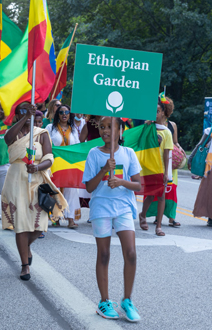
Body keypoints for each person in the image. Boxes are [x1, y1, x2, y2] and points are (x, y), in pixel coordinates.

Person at [82, 116, 142, 322]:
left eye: (110, 127)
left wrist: (122, 182)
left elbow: (139, 185)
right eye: (102, 127)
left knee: (131, 253)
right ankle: (104, 301)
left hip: (124, 208)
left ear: (120, 131)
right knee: (104, 254)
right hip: (101, 208)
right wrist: (104, 170)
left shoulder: (128, 153)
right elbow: (89, 187)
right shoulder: (93, 154)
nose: (105, 130)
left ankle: (127, 300)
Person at [2, 102, 67, 280]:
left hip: (37, 180)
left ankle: (26, 247)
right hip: (16, 180)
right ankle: (24, 265)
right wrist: (25, 118)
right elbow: (8, 140)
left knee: (40, 225)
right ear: (17, 115)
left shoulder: (42, 134)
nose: (27, 114)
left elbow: (49, 158)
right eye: (22, 112)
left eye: (28, 111)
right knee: (21, 224)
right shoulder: (14, 132)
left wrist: (37, 168)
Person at [145, 96, 181, 227]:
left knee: (170, 190)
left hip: (170, 163)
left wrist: (180, 151)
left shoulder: (172, 126)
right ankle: (155, 216)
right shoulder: (149, 124)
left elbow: (175, 142)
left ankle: (171, 217)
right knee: (155, 191)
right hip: (154, 163)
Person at [139, 100, 173, 236]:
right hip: (146, 167)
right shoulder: (147, 127)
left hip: (159, 168)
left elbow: (166, 154)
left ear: (163, 113)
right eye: (153, 111)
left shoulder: (167, 133)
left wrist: (166, 172)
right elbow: (140, 144)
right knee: (149, 194)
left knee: (160, 196)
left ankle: (158, 226)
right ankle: (142, 215)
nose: (155, 114)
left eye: (157, 111)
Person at [46, 104, 81, 228]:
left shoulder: (74, 129)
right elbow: (47, 144)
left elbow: (77, 146)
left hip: (69, 164)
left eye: (67, 112)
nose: (64, 114)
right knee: (55, 190)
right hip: (55, 164)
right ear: (57, 114)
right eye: (61, 112)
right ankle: (56, 217)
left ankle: (70, 219)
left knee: (71, 190)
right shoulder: (50, 128)